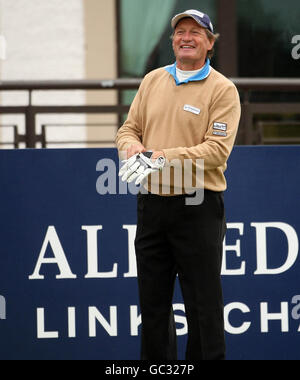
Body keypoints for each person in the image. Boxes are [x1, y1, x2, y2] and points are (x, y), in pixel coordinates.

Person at [116, 9, 241, 361]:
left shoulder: (222, 90)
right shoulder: (152, 80)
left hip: (197, 204)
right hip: (152, 203)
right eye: (180, 32)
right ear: (172, 41)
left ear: (210, 43)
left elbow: (216, 152)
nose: (186, 37)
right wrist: (132, 147)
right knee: (152, 304)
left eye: (196, 32)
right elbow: (128, 129)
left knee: (203, 306)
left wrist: (159, 156)